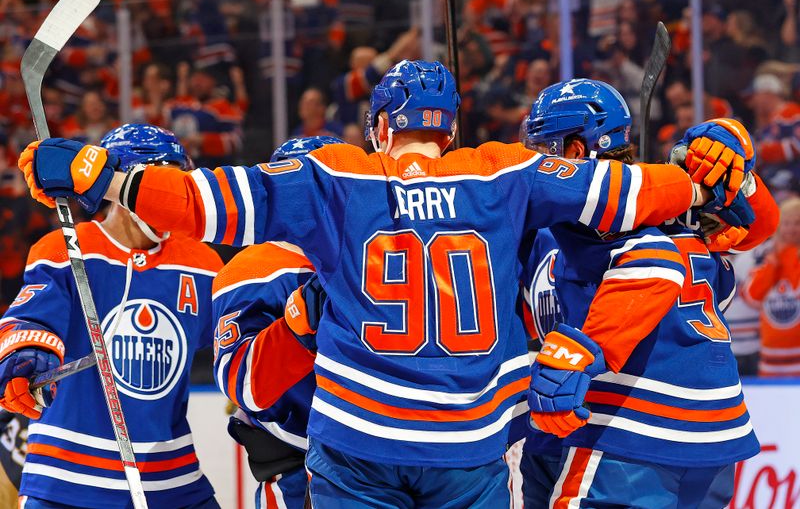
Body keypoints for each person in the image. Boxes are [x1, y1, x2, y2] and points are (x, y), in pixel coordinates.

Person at [18, 60, 745, 508]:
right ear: (450, 130)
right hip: (469, 448)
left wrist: (100, 174)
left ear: (378, 128)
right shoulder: (505, 171)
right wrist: (701, 172)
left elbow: (205, 201)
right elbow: (630, 190)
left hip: (359, 441)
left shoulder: (333, 173)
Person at [519, 80, 778, 508]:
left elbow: (652, 265)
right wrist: (740, 176)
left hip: (630, 423)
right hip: (716, 430)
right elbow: (756, 226)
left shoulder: (587, 214)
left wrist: (572, 358)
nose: (535, 161)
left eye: (545, 149)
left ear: (577, 152)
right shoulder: (682, 201)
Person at [2, 124, 223, 508]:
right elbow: (31, 318)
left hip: (171, 479)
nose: (170, 199)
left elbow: (235, 336)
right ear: (117, 185)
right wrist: (25, 358)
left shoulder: (201, 262)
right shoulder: (68, 248)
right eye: (160, 183)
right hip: (66, 477)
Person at [212, 136, 342, 508]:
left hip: (384, 461)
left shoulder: (373, 250)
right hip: (300, 466)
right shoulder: (256, 268)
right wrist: (295, 330)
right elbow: (244, 383)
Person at [743, 196, 800, 377]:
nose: (791, 228)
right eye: (787, 223)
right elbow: (752, 297)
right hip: (769, 360)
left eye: (797, 223)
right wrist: (772, 266)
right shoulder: (768, 258)